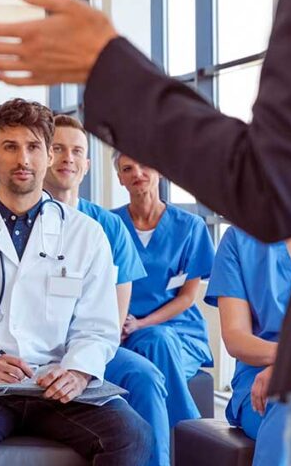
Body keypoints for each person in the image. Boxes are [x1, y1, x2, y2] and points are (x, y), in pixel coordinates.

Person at [0, 0, 291, 459]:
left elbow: (279, 183)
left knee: (143, 376)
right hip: (8, 372)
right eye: (15, 148)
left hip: (106, 352)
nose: (41, 160)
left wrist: (107, 67)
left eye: (47, 149)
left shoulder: (97, 230)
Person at [0, 99, 151, 466]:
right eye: (10, 147)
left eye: (34, 147)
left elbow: (98, 327)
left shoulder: (86, 234)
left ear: (48, 156)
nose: (23, 159)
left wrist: (77, 370)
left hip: (54, 382)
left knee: (131, 433)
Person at [43, 115, 170, 466]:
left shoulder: (110, 227)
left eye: (76, 151)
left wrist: (81, 364)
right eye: (58, 149)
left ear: (86, 165)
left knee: (145, 376)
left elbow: (112, 322)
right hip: (33, 352)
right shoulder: (20, 221)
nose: (67, 157)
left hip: (94, 350)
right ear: (42, 155)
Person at [110, 153, 215, 428]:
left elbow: (188, 297)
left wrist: (141, 323)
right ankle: (193, 439)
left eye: (145, 165)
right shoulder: (109, 226)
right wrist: (118, 324)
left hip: (182, 335)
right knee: (155, 344)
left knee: (159, 340)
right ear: (120, 178)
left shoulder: (191, 227)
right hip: (125, 334)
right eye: (127, 169)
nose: (138, 173)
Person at [205, 227, 291, 466]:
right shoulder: (238, 240)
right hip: (259, 380)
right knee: (289, 407)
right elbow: (236, 337)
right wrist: (288, 362)